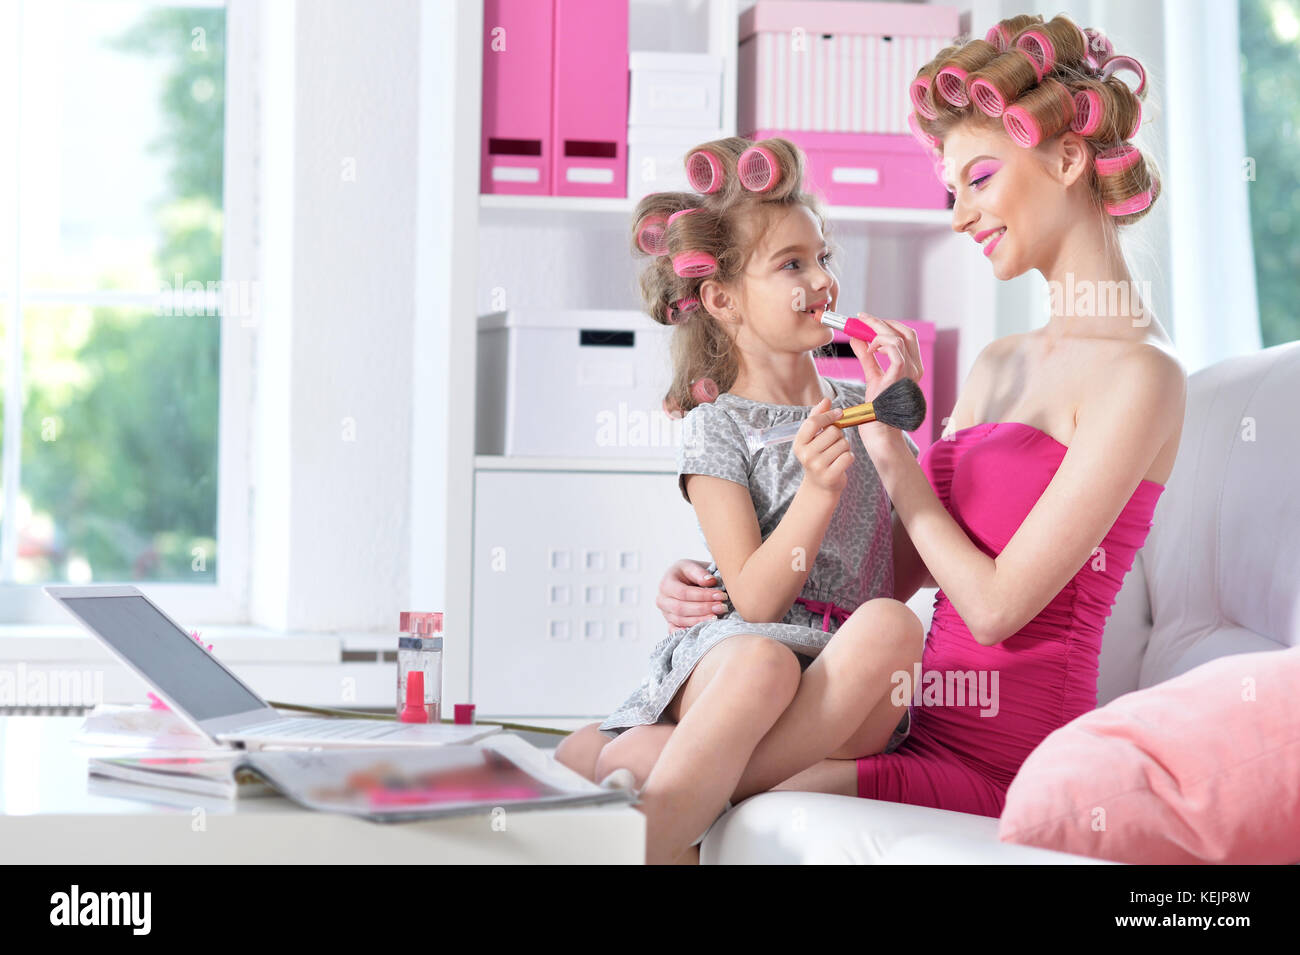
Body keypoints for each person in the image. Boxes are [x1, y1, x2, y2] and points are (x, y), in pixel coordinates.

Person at [566, 10, 1188, 862]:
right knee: (710, 740)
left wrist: (895, 448)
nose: (960, 213)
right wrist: (724, 580)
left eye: (977, 177)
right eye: (950, 190)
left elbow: (999, 604)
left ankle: (600, 797)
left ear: (1069, 157)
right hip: (906, 710)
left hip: (1005, 755)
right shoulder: (1002, 362)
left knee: (665, 765)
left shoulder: (1141, 376)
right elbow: (889, 572)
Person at [553, 135, 929, 865]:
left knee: (891, 626)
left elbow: (907, 571)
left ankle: (668, 772)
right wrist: (818, 493)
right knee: (762, 662)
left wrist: (899, 433)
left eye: (823, 258)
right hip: (747, 661)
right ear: (723, 300)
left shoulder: (862, 408)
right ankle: (660, 804)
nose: (822, 280)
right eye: (793, 264)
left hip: (840, 683)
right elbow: (755, 604)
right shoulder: (718, 425)